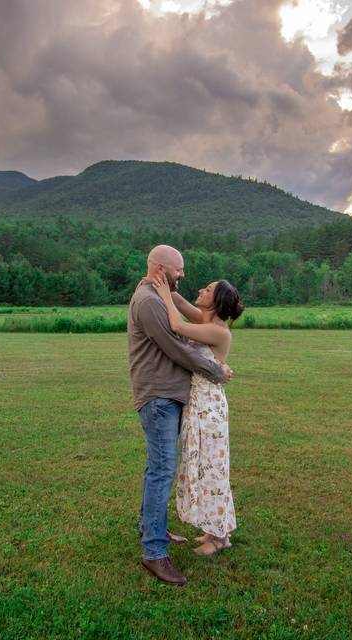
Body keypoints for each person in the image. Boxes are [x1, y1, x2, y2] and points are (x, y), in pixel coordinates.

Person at [128, 245, 232, 587]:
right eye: (178, 270)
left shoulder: (159, 298)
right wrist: (215, 370)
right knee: (161, 471)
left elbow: (184, 323)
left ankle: (152, 528)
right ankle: (154, 552)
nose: (183, 276)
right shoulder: (149, 302)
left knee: (156, 468)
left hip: (167, 397)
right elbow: (175, 348)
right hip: (158, 398)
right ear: (161, 269)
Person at [151, 275, 243, 556]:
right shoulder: (204, 319)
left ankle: (219, 537)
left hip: (210, 407)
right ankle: (212, 529)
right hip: (197, 404)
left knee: (213, 468)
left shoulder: (218, 331)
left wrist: (165, 296)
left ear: (216, 302)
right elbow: (177, 300)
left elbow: (177, 324)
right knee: (202, 465)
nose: (202, 289)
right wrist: (162, 281)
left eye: (209, 289)